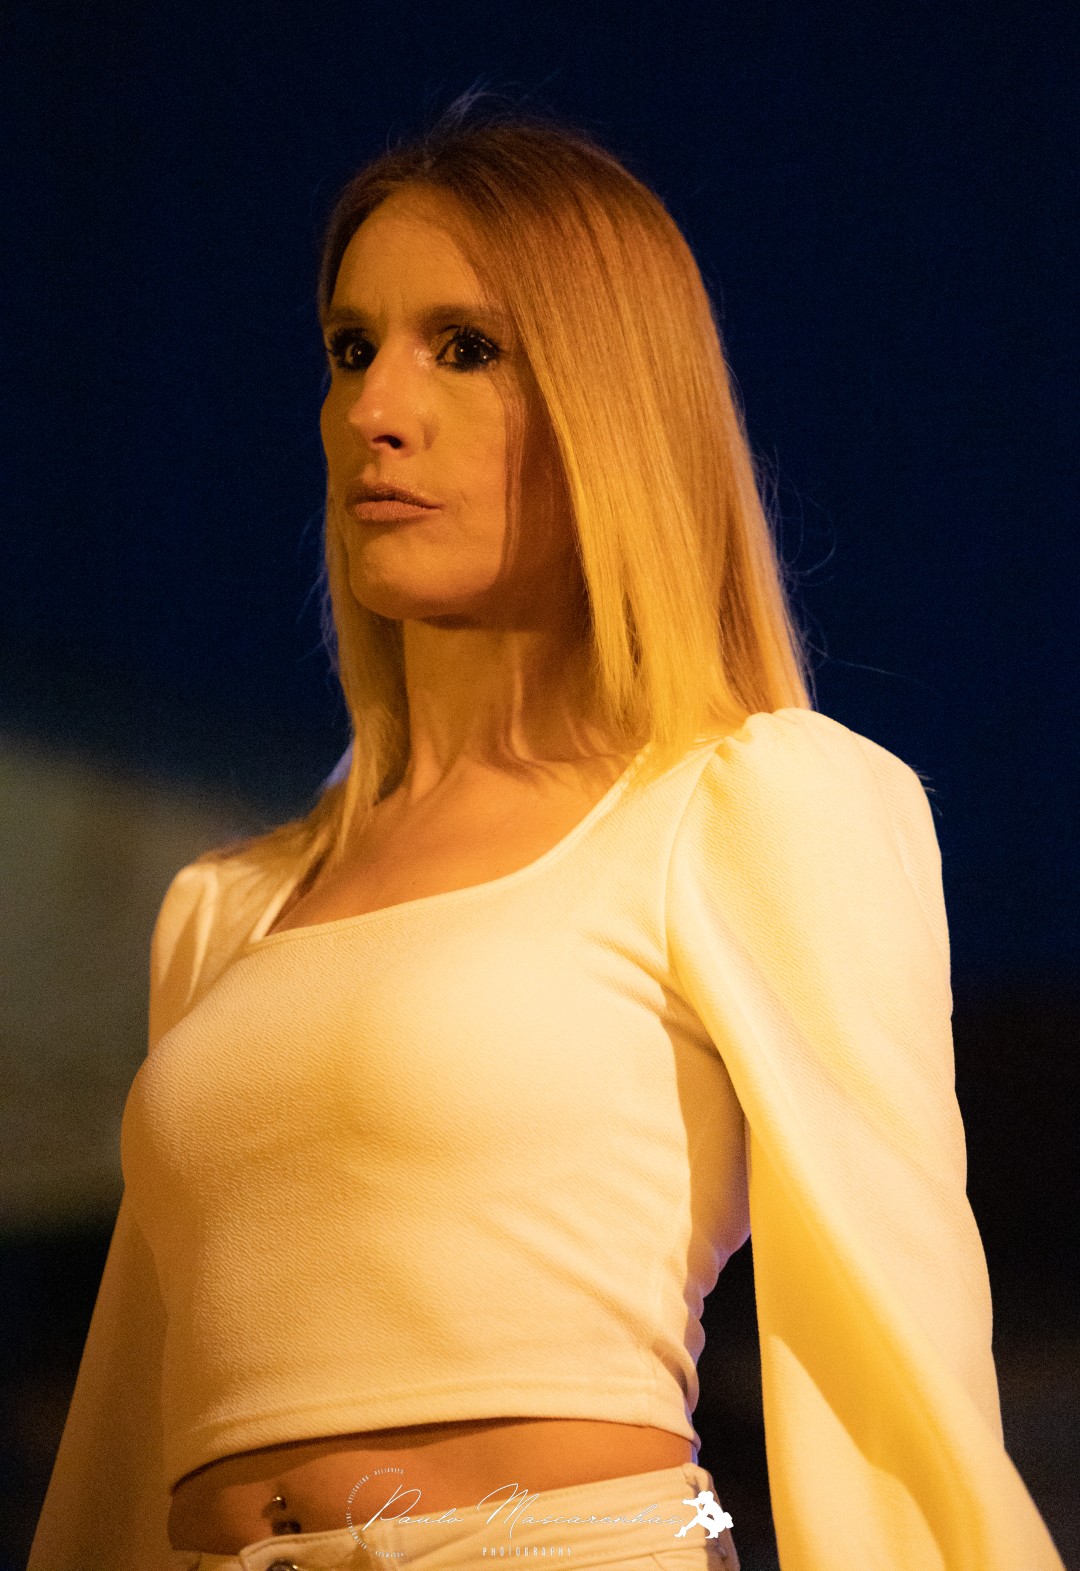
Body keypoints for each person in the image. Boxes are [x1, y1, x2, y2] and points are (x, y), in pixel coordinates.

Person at [27, 100, 1066, 1571]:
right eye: (351, 349)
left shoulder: (748, 805)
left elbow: (892, 1368)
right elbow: (127, 1422)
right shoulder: (227, 908)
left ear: (611, 407)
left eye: (465, 348)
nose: (378, 410)